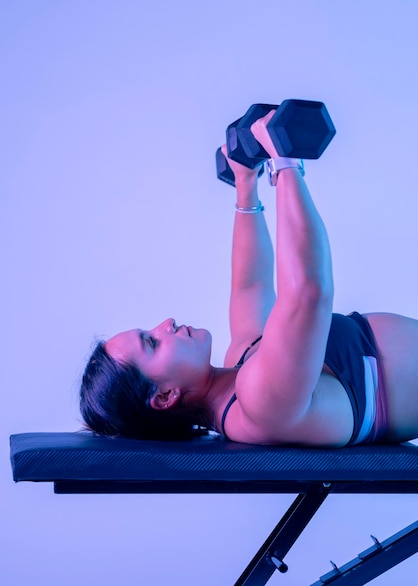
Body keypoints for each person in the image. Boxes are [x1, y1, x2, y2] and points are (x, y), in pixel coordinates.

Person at [80, 111, 418, 446]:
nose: (165, 323)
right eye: (152, 342)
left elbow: (250, 285)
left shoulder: (242, 364)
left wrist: (246, 184)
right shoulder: (258, 401)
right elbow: (307, 293)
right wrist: (284, 165)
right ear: (166, 395)